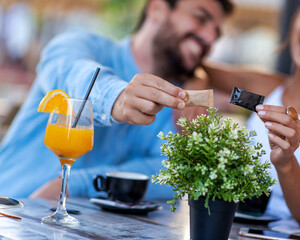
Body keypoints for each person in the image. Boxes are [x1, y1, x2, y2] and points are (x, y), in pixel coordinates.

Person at [0, 0, 233, 200]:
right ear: (157, 9)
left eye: (217, 33)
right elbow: (73, 72)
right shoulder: (80, 45)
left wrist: (78, 184)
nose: (210, 38)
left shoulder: (182, 104)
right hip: (11, 211)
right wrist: (118, 98)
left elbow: (170, 173)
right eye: (201, 19)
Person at [203, 0, 300, 229]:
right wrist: (197, 79)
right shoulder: (265, 87)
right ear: (295, 18)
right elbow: (193, 67)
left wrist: (286, 162)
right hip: (239, 229)